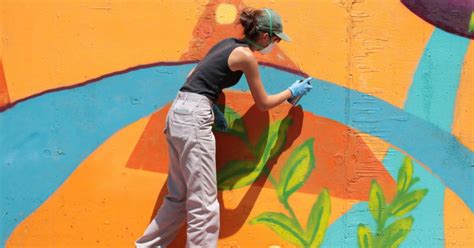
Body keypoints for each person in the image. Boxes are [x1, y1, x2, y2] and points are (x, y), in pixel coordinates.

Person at [135, 7, 312, 248]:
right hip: (194, 118)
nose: (276, 43)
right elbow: (263, 103)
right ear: (264, 36)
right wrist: (292, 92)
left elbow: (194, 74)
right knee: (204, 205)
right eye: (276, 38)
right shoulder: (246, 56)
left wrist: (210, 101)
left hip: (178, 112)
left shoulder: (226, 44)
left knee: (178, 198)